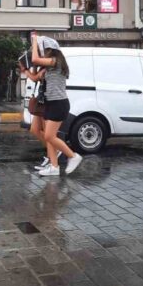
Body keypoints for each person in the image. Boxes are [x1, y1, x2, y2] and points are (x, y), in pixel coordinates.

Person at [20, 32, 82, 177]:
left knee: (49, 136)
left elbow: (35, 58)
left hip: (59, 104)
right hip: (50, 103)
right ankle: (54, 167)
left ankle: (73, 156)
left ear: (49, 51)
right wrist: (26, 69)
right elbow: (35, 74)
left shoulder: (56, 61)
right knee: (48, 136)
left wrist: (35, 41)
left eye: (43, 51)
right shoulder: (48, 66)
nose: (42, 54)